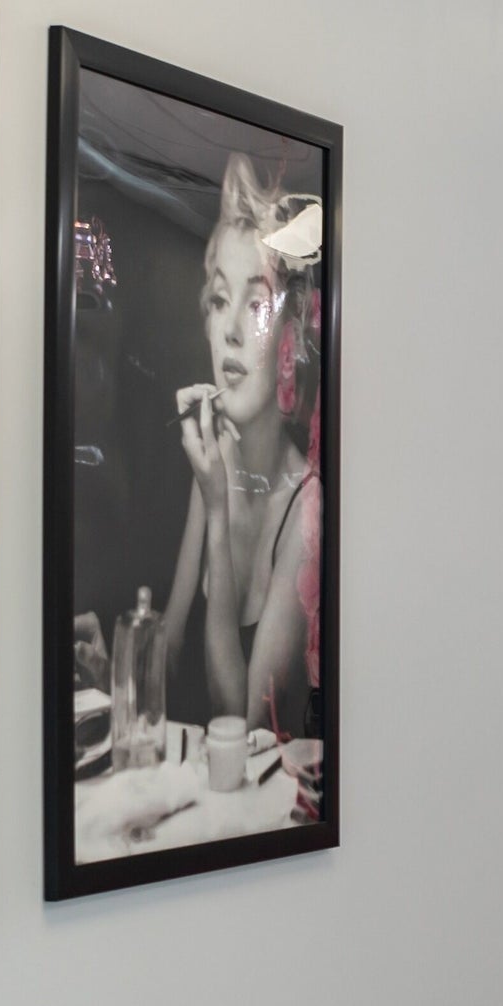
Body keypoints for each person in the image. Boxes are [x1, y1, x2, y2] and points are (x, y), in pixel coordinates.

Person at [161, 152, 320, 751]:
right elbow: (173, 655)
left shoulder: (309, 513)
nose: (228, 330)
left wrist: (218, 514)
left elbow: (245, 731)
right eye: (219, 299)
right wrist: (125, 655)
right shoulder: (217, 459)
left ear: (289, 337)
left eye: (255, 305)